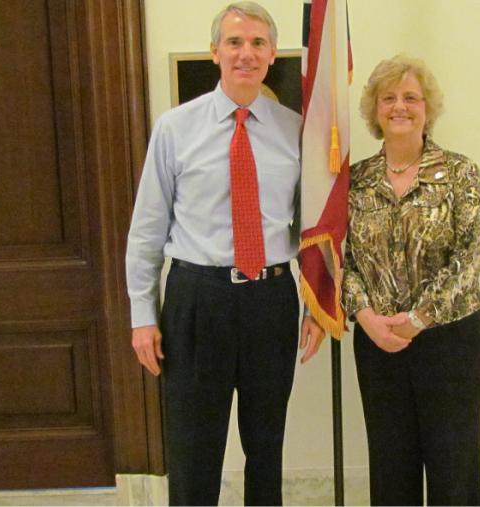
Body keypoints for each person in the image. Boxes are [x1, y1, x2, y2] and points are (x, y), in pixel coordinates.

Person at [126, 3, 323, 505]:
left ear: (272, 54)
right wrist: (143, 315)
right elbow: (147, 229)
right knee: (194, 450)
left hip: (270, 300)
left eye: (258, 43)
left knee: (267, 446)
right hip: (198, 299)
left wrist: (317, 303)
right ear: (215, 52)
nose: (245, 54)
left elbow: (311, 227)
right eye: (234, 42)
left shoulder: (296, 129)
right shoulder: (175, 128)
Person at [343, 54, 480, 506]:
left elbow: (470, 257)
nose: (399, 107)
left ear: (428, 108)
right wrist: (366, 317)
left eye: (411, 97)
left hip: (450, 341)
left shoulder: (460, 173)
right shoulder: (355, 181)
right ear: (375, 110)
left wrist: (419, 319)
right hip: (378, 342)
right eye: (388, 98)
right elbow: (342, 261)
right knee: (391, 469)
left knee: (453, 468)